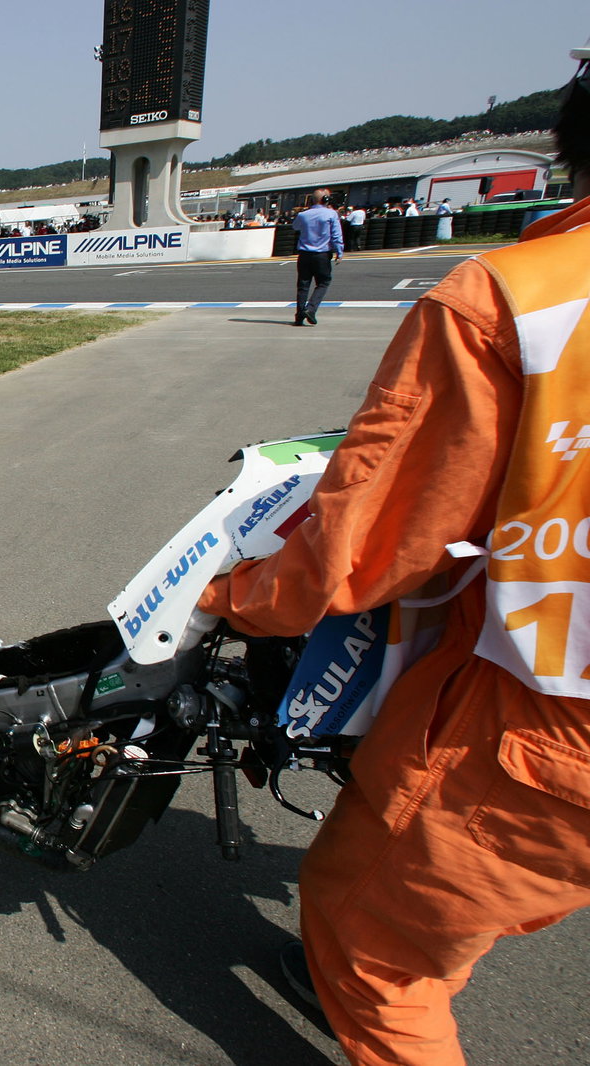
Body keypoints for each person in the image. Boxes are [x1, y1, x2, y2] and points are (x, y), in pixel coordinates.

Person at [196, 41, 590, 1064]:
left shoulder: (517, 300)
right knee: (439, 893)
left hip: (546, 723)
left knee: (374, 942)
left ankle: (376, 976)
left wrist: (235, 595)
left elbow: (368, 542)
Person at [292, 188, 344, 326]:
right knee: (323, 282)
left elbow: (295, 227)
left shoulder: (303, 215)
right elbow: (336, 235)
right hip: (321, 254)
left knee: (303, 285)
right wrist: (339, 251)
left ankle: (299, 316)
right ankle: (311, 308)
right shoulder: (331, 214)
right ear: (325, 200)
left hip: (304, 254)